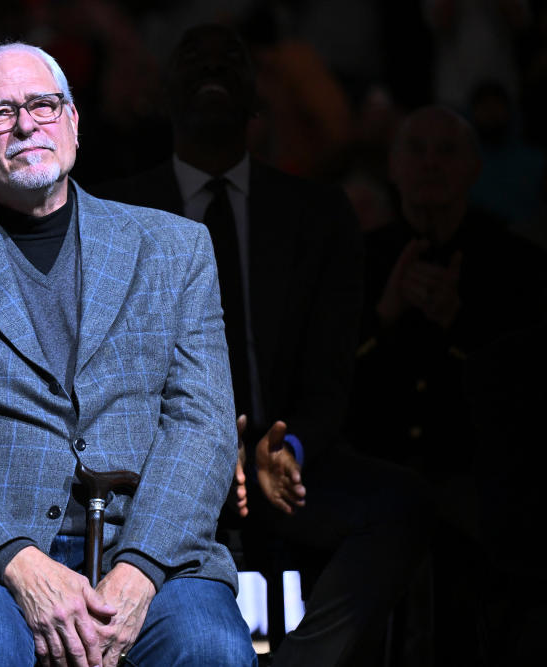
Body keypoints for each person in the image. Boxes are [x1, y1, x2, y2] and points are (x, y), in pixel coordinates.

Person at [0, 42, 257, 667]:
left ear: (73, 122)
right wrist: (20, 563)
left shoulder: (175, 248)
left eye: (43, 104)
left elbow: (202, 427)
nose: (25, 124)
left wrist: (139, 571)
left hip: (149, 548)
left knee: (210, 648)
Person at [97, 24, 429, 666]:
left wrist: (287, 448)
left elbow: (331, 375)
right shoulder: (115, 212)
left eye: (233, 59)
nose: (214, 66)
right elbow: (106, 373)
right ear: (164, 93)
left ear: (258, 101)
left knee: (402, 504)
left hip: (282, 469)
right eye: (194, 56)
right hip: (156, 471)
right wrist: (203, 456)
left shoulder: (318, 212)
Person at [347, 104, 547, 664]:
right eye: (417, 149)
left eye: (447, 150)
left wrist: (460, 326)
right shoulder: (360, 256)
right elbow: (335, 377)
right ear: (392, 165)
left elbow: (526, 392)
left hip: (479, 480)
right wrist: (384, 317)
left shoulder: (518, 262)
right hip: (379, 470)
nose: (431, 163)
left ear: (476, 167)